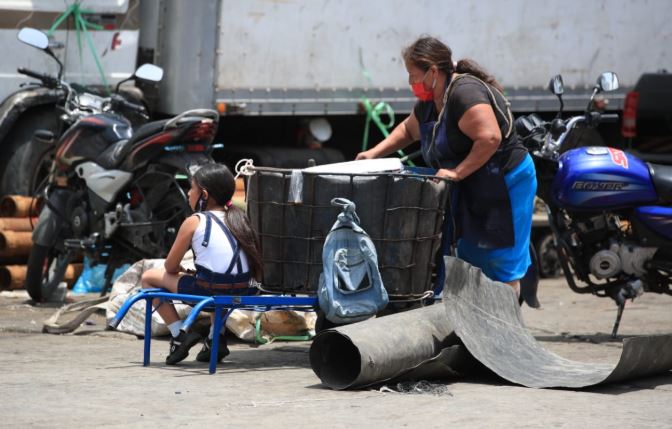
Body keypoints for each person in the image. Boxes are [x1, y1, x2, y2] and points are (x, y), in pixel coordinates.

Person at [356, 36, 537, 296]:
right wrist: (372, 154)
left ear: (433, 71)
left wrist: (455, 172)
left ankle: (504, 330)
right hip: (473, 184)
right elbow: (409, 130)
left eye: (413, 75)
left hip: (506, 183)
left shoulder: (465, 94)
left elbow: (490, 138)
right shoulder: (431, 101)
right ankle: (474, 326)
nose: (410, 83)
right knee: (471, 257)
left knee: (501, 260)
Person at [140, 163, 262, 365]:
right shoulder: (240, 218)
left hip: (209, 290)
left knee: (148, 278)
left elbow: (170, 267)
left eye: (191, 188)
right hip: (244, 289)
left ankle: (179, 335)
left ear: (204, 194)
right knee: (221, 283)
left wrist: (178, 270)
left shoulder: (194, 221)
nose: (188, 193)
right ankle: (216, 338)